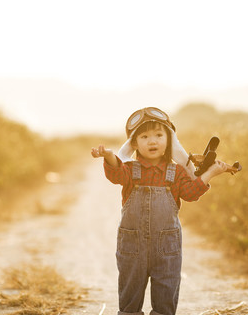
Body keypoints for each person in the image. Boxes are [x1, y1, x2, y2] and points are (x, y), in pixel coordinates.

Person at [91, 107, 228, 315]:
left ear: (169, 140)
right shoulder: (130, 169)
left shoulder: (177, 172)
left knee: (166, 293)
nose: (152, 141)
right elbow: (116, 174)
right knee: (130, 296)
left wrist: (210, 173)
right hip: (132, 247)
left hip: (167, 249)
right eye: (144, 136)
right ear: (134, 143)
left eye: (158, 135)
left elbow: (191, 193)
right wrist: (109, 156)